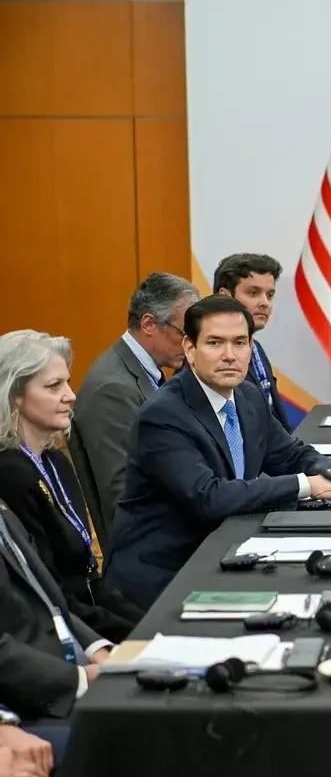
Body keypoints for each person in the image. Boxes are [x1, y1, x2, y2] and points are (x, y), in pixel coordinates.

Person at [105, 296, 331, 609]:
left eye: (239, 343)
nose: (229, 355)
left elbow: (289, 454)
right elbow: (209, 497)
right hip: (165, 575)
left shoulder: (246, 396)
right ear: (190, 349)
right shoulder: (163, 415)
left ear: (250, 347)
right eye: (215, 343)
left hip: (227, 552)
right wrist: (307, 484)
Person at [0, 331, 144, 641]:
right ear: (13, 395)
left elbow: (89, 576)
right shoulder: (9, 475)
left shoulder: (56, 461)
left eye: (67, 382)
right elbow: (48, 593)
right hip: (61, 632)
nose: (70, 395)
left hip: (91, 611)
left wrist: (148, 625)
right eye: (54, 386)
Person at [71, 273, 199, 542]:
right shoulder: (112, 389)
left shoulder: (146, 374)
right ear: (149, 324)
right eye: (184, 333)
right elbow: (124, 496)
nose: (190, 344)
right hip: (145, 549)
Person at [0, 501, 111, 720]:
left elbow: (45, 600)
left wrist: (96, 648)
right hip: (34, 698)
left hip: (71, 666)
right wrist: (78, 678)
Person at [214, 253, 292, 431]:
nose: (265, 303)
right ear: (225, 296)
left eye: (270, 295)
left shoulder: (257, 348)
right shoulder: (209, 355)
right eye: (253, 293)